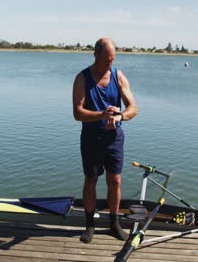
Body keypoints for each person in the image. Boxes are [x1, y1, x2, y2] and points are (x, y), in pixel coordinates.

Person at [72, 38, 138, 243]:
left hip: (114, 137)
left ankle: (113, 223)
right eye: (107, 60)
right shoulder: (82, 78)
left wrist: (120, 117)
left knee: (115, 180)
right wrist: (102, 114)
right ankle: (90, 225)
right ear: (95, 55)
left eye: (112, 59)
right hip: (91, 138)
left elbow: (133, 108)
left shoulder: (118, 76)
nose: (110, 63)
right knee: (91, 180)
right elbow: (77, 113)